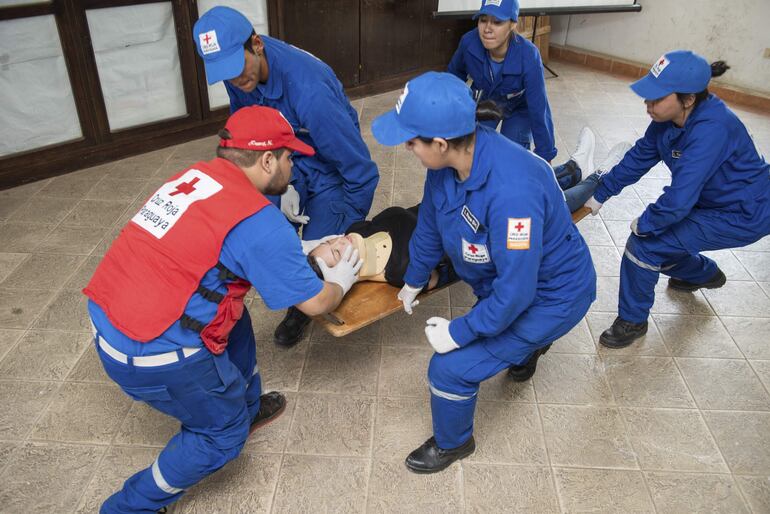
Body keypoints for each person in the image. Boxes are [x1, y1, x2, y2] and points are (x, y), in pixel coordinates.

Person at [82, 106, 362, 513]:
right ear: (267, 160)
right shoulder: (261, 224)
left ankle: (246, 407)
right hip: (150, 354)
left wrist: (297, 249)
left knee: (236, 316)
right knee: (221, 436)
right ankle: (131, 506)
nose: (293, 166)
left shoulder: (194, 177)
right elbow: (318, 302)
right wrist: (340, 280)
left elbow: (220, 248)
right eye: (289, 157)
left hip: (109, 316)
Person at [371, 72, 596, 473]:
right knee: (498, 327)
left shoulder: (513, 193)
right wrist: (414, 279)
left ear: (440, 144)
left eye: (411, 140)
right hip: (506, 285)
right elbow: (430, 225)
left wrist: (456, 333)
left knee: (449, 369)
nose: (407, 147)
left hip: (551, 297)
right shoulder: (447, 161)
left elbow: (516, 295)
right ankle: (528, 349)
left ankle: (454, 444)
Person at [193, 6, 379, 347]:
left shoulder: (311, 92)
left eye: (237, 68)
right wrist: (278, 186)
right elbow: (248, 134)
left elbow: (361, 172)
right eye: (225, 74)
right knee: (259, 226)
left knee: (323, 252)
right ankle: (294, 287)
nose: (235, 81)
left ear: (257, 44)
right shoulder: (241, 76)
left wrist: (346, 229)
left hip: (329, 168)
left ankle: (304, 303)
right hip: (281, 159)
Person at [583, 50, 770, 348]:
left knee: (645, 245)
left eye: (657, 98)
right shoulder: (666, 120)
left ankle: (632, 321)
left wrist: (646, 224)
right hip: (710, 201)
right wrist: (601, 193)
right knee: (663, 240)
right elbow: (639, 157)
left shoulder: (712, 129)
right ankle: (702, 273)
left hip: (744, 212)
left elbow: (679, 200)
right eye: (647, 97)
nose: (648, 105)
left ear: (689, 98)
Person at [448, 0, 556, 162]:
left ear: (512, 24)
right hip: (485, 102)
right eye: (483, 20)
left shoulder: (528, 56)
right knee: (473, 154)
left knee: (511, 158)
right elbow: (453, 77)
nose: (487, 29)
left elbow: (539, 108)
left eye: (497, 22)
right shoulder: (468, 42)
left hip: (519, 108)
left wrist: (545, 154)